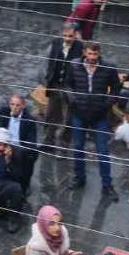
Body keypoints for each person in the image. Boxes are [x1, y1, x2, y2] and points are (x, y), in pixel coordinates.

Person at [67, 41, 123, 198]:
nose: (92, 57)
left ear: (99, 53)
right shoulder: (74, 65)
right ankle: (79, 178)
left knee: (103, 151)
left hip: (99, 115)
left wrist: (105, 104)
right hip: (79, 113)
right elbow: (68, 85)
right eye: (90, 54)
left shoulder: (108, 68)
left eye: (95, 54)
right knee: (78, 147)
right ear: (84, 52)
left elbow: (116, 89)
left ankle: (107, 184)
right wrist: (73, 100)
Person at [0, 91, 40, 192]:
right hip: (3, 143)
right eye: (12, 104)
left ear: (23, 105)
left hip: (19, 147)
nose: (14, 108)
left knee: (32, 155)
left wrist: (17, 150)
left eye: (17, 105)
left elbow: (31, 142)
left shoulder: (30, 120)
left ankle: (25, 183)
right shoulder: (4, 111)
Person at [42, 19, 83, 154]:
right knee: (50, 114)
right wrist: (49, 78)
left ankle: (64, 145)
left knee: (69, 118)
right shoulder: (57, 43)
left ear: (75, 35)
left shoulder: (80, 48)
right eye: (65, 35)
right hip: (55, 84)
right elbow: (50, 62)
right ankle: (48, 141)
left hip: (71, 88)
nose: (67, 38)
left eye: (70, 36)